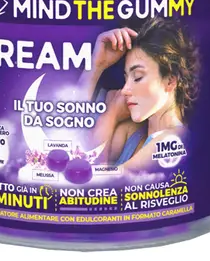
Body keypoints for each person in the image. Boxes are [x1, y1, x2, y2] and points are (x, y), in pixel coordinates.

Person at [78, 17, 200, 173]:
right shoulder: (131, 131)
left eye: (137, 77)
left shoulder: (173, 140)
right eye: (126, 78)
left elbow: (92, 180)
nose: (125, 90)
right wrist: (96, 66)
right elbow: (76, 151)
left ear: (170, 81)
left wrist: (111, 114)